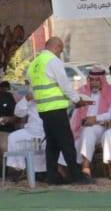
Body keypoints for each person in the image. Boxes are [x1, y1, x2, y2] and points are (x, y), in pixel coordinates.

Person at [27, 37, 90, 185]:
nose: (60, 54)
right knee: (66, 142)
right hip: (56, 109)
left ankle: (52, 176)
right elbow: (64, 85)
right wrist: (77, 100)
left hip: (43, 110)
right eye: (60, 50)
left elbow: (33, 88)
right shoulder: (53, 61)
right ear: (57, 46)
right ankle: (77, 176)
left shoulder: (34, 64)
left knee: (52, 144)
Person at [71, 67, 111, 174]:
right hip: (81, 126)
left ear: (102, 80)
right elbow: (75, 111)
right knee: (70, 140)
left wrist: (95, 119)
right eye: (91, 80)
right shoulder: (83, 92)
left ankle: (85, 167)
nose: (94, 83)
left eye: (97, 80)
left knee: (89, 131)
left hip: (100, 126)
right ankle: (67, 171)